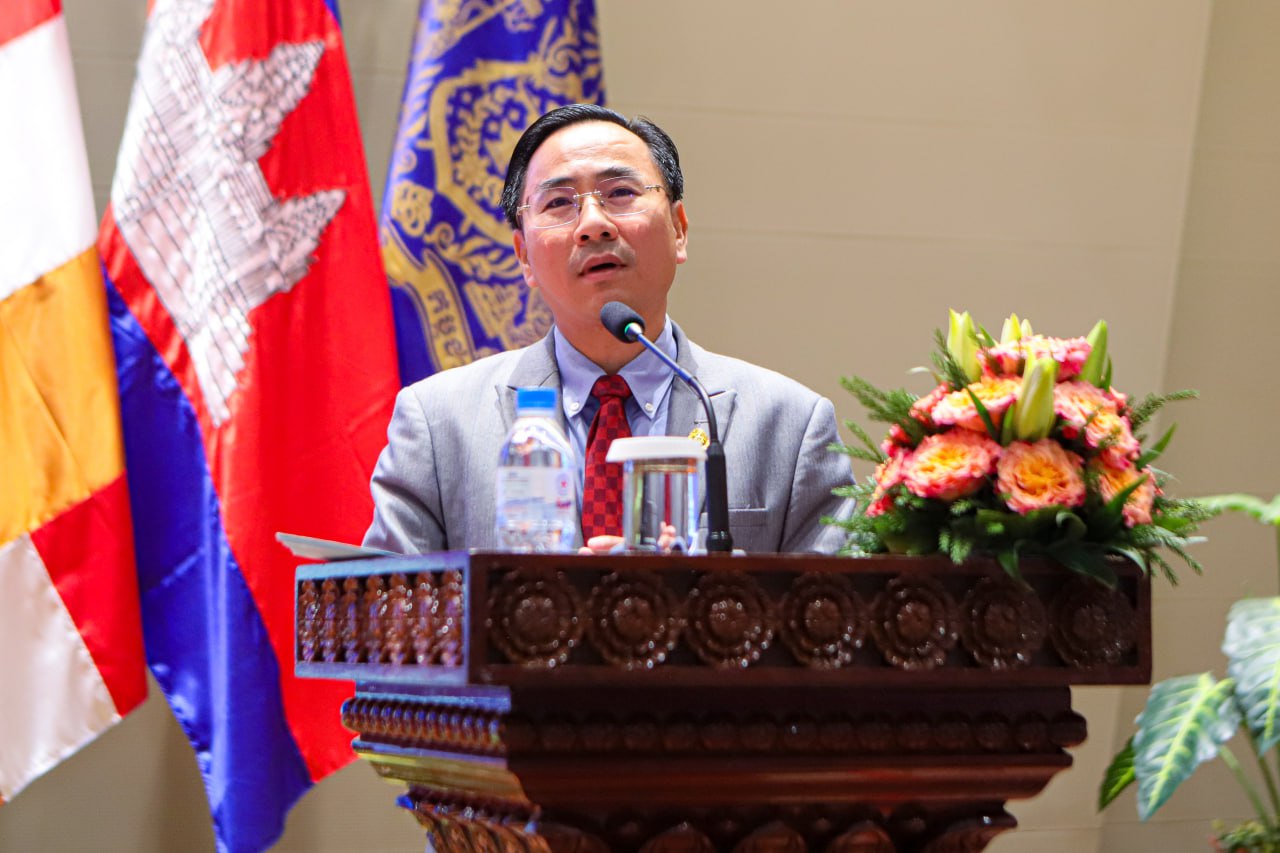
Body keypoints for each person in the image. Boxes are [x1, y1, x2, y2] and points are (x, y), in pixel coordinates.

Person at [363, 104, 850, 555]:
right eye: (559, 202)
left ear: (679, 229)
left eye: (620, 194)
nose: (593, 224)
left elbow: (834, 612)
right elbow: (387, 610)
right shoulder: (438, 424)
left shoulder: (789, 425)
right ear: (523, 256)